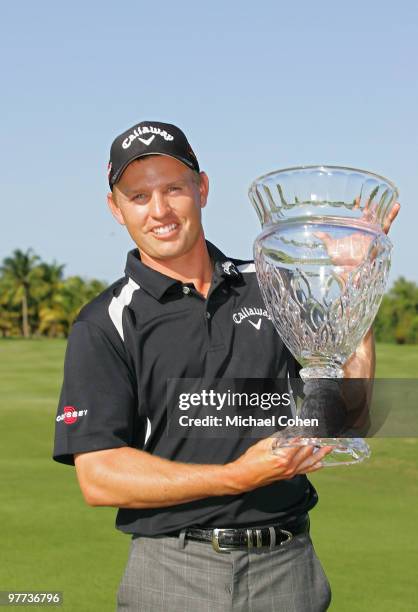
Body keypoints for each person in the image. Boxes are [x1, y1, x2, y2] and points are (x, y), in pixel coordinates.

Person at [53, 121, 399, 612]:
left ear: (202, 189)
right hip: (173, 573)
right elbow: (100, 476)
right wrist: (237, 476)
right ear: (116, 208)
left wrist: (354, 289)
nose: (159, 211)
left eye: (174, 188)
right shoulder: (105, 321)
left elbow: (347, 419)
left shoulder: (270, 285)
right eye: (138, 195)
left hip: (288, 570)